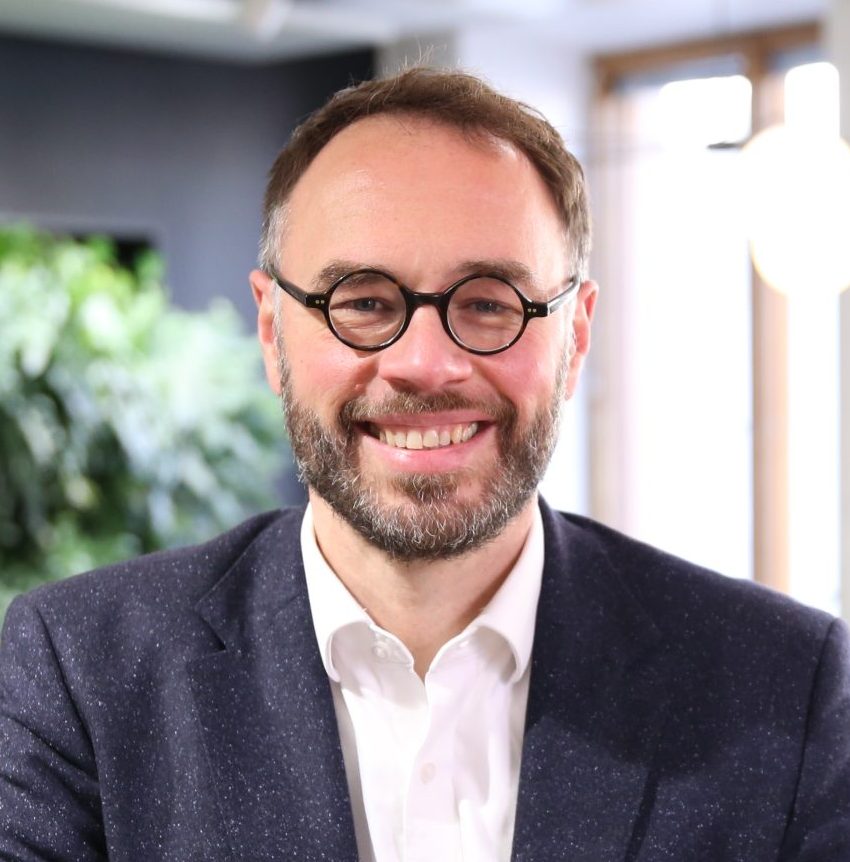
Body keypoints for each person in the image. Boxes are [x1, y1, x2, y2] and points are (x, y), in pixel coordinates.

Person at [1, 66, 848, 862]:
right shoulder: (79, 672)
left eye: (489, 303)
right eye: (365, 302)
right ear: (270, 329)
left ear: (577, 335)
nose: (425, 364)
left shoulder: (787, 685)